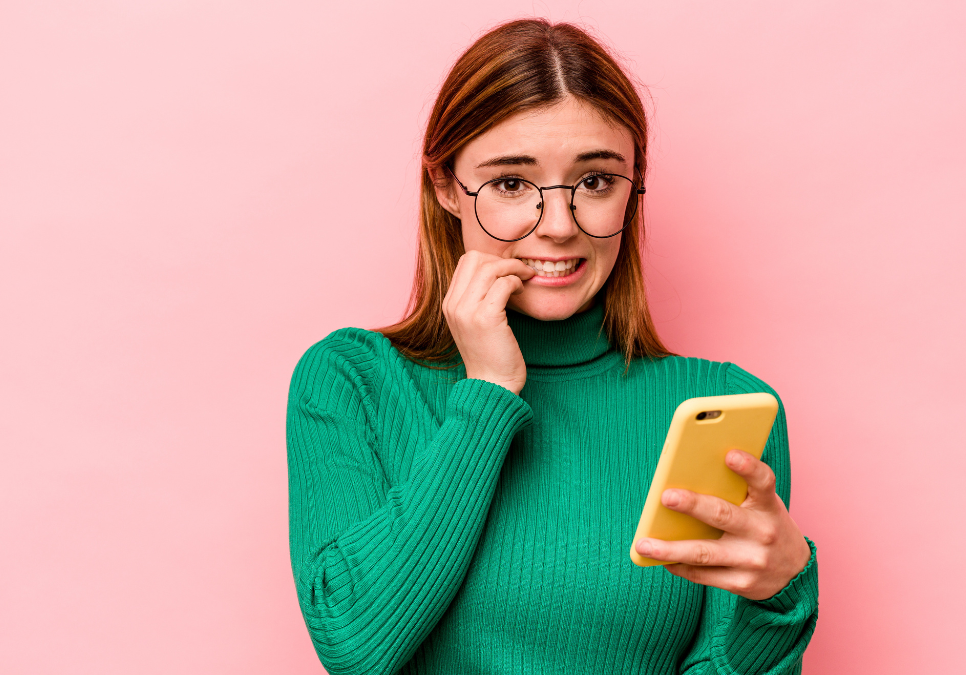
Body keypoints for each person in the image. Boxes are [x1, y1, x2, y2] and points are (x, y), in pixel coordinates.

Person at [286, 18, 818, 675]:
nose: (560, 226)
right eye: (511, 183)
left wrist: (782, 598)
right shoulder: (351, 381)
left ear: (633, 184)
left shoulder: (720, 405)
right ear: (447, 186)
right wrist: (483, 396)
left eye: (595, 181)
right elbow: (356, 648)